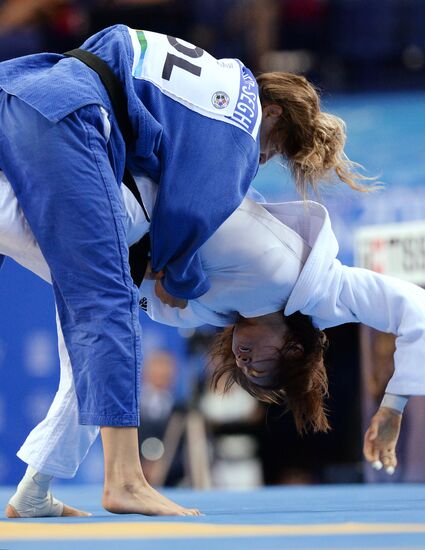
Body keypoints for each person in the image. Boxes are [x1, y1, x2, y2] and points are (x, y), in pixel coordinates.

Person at [0, 23, 367, 516]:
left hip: (24, 85)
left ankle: (35, 493)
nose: (263, 159)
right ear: (272, 113)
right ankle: (126, 479)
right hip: (65, 117)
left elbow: (110, 45)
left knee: (85, 337)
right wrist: (180, 273)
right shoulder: (240, 126)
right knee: (106, 305)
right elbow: (188, 216)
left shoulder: (214, 82)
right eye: (274, 148)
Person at [2, 173, 425, 517]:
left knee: (94, 362)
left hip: (100, 241)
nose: (243, 360)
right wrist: (393, 407)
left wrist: (173, 266)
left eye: (244, 370)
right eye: (258, 366)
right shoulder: (319, 285)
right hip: (118, 194)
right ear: (293, 349)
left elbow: (118, 298)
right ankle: (117, 482)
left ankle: (34, 492)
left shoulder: (202, 313)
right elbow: (423, 308)